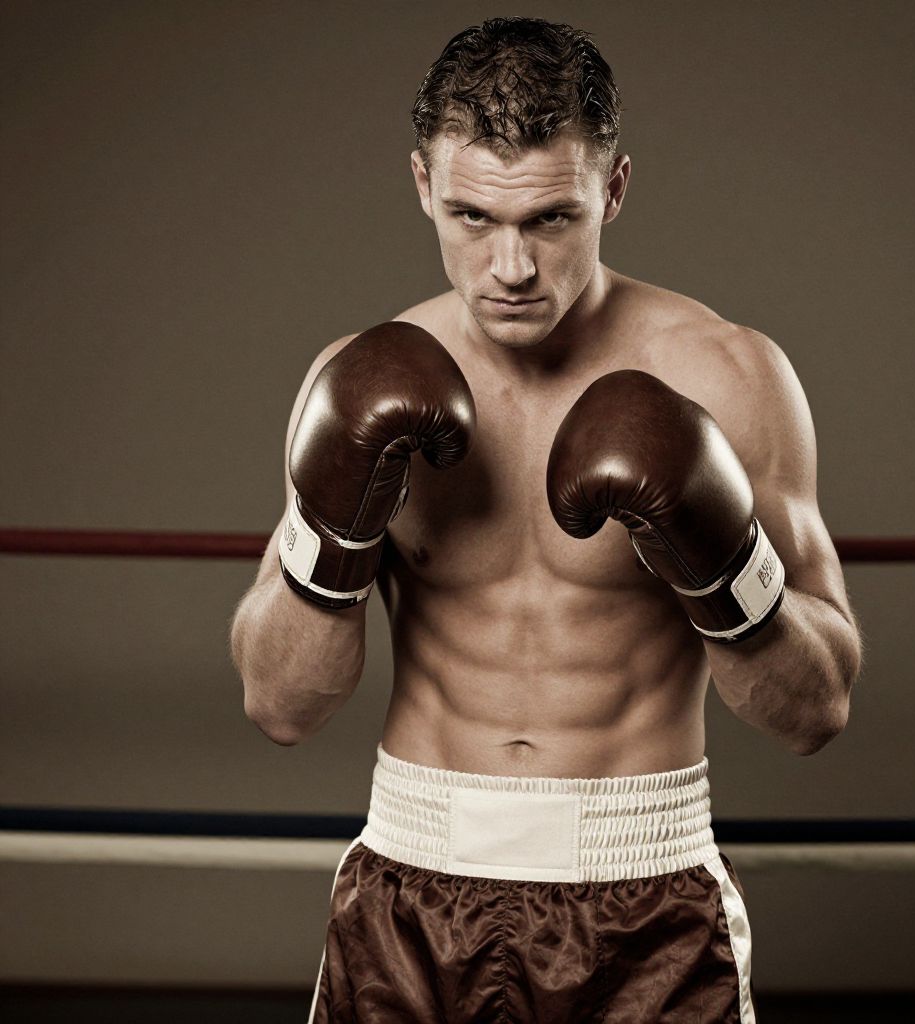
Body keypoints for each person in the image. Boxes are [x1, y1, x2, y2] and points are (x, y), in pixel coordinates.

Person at [230, 16, 862, 1024]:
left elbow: (814, 708)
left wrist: (718, 558)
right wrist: (334, 534)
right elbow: (279, 704)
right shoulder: (357, 376)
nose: (510, 267)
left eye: (551, 219)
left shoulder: (725, 375)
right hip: (411, 884)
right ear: (423, 185)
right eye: (474, 218)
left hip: (645, 887)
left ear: (611, 191)